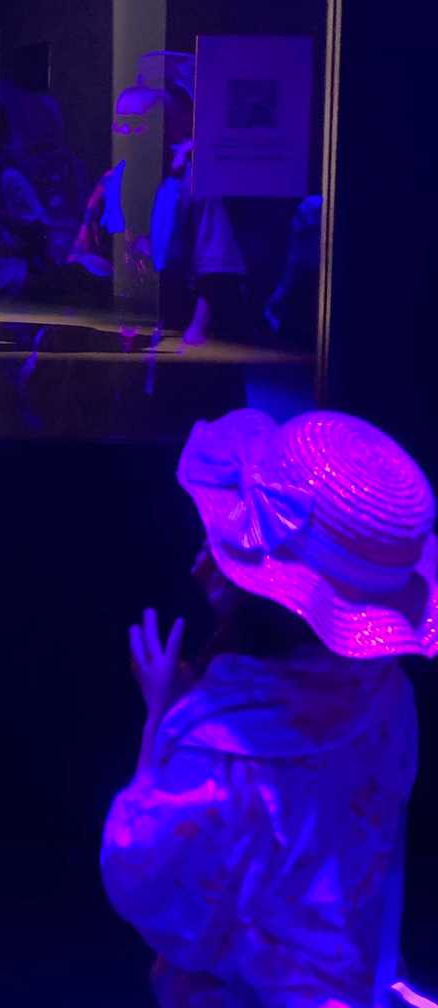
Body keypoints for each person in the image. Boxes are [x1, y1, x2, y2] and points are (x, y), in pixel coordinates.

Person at [102, 408, 437, 1008]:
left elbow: (144, 880)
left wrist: (164, 717)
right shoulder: (391, 694)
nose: (206, 554)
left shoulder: (220, 744)